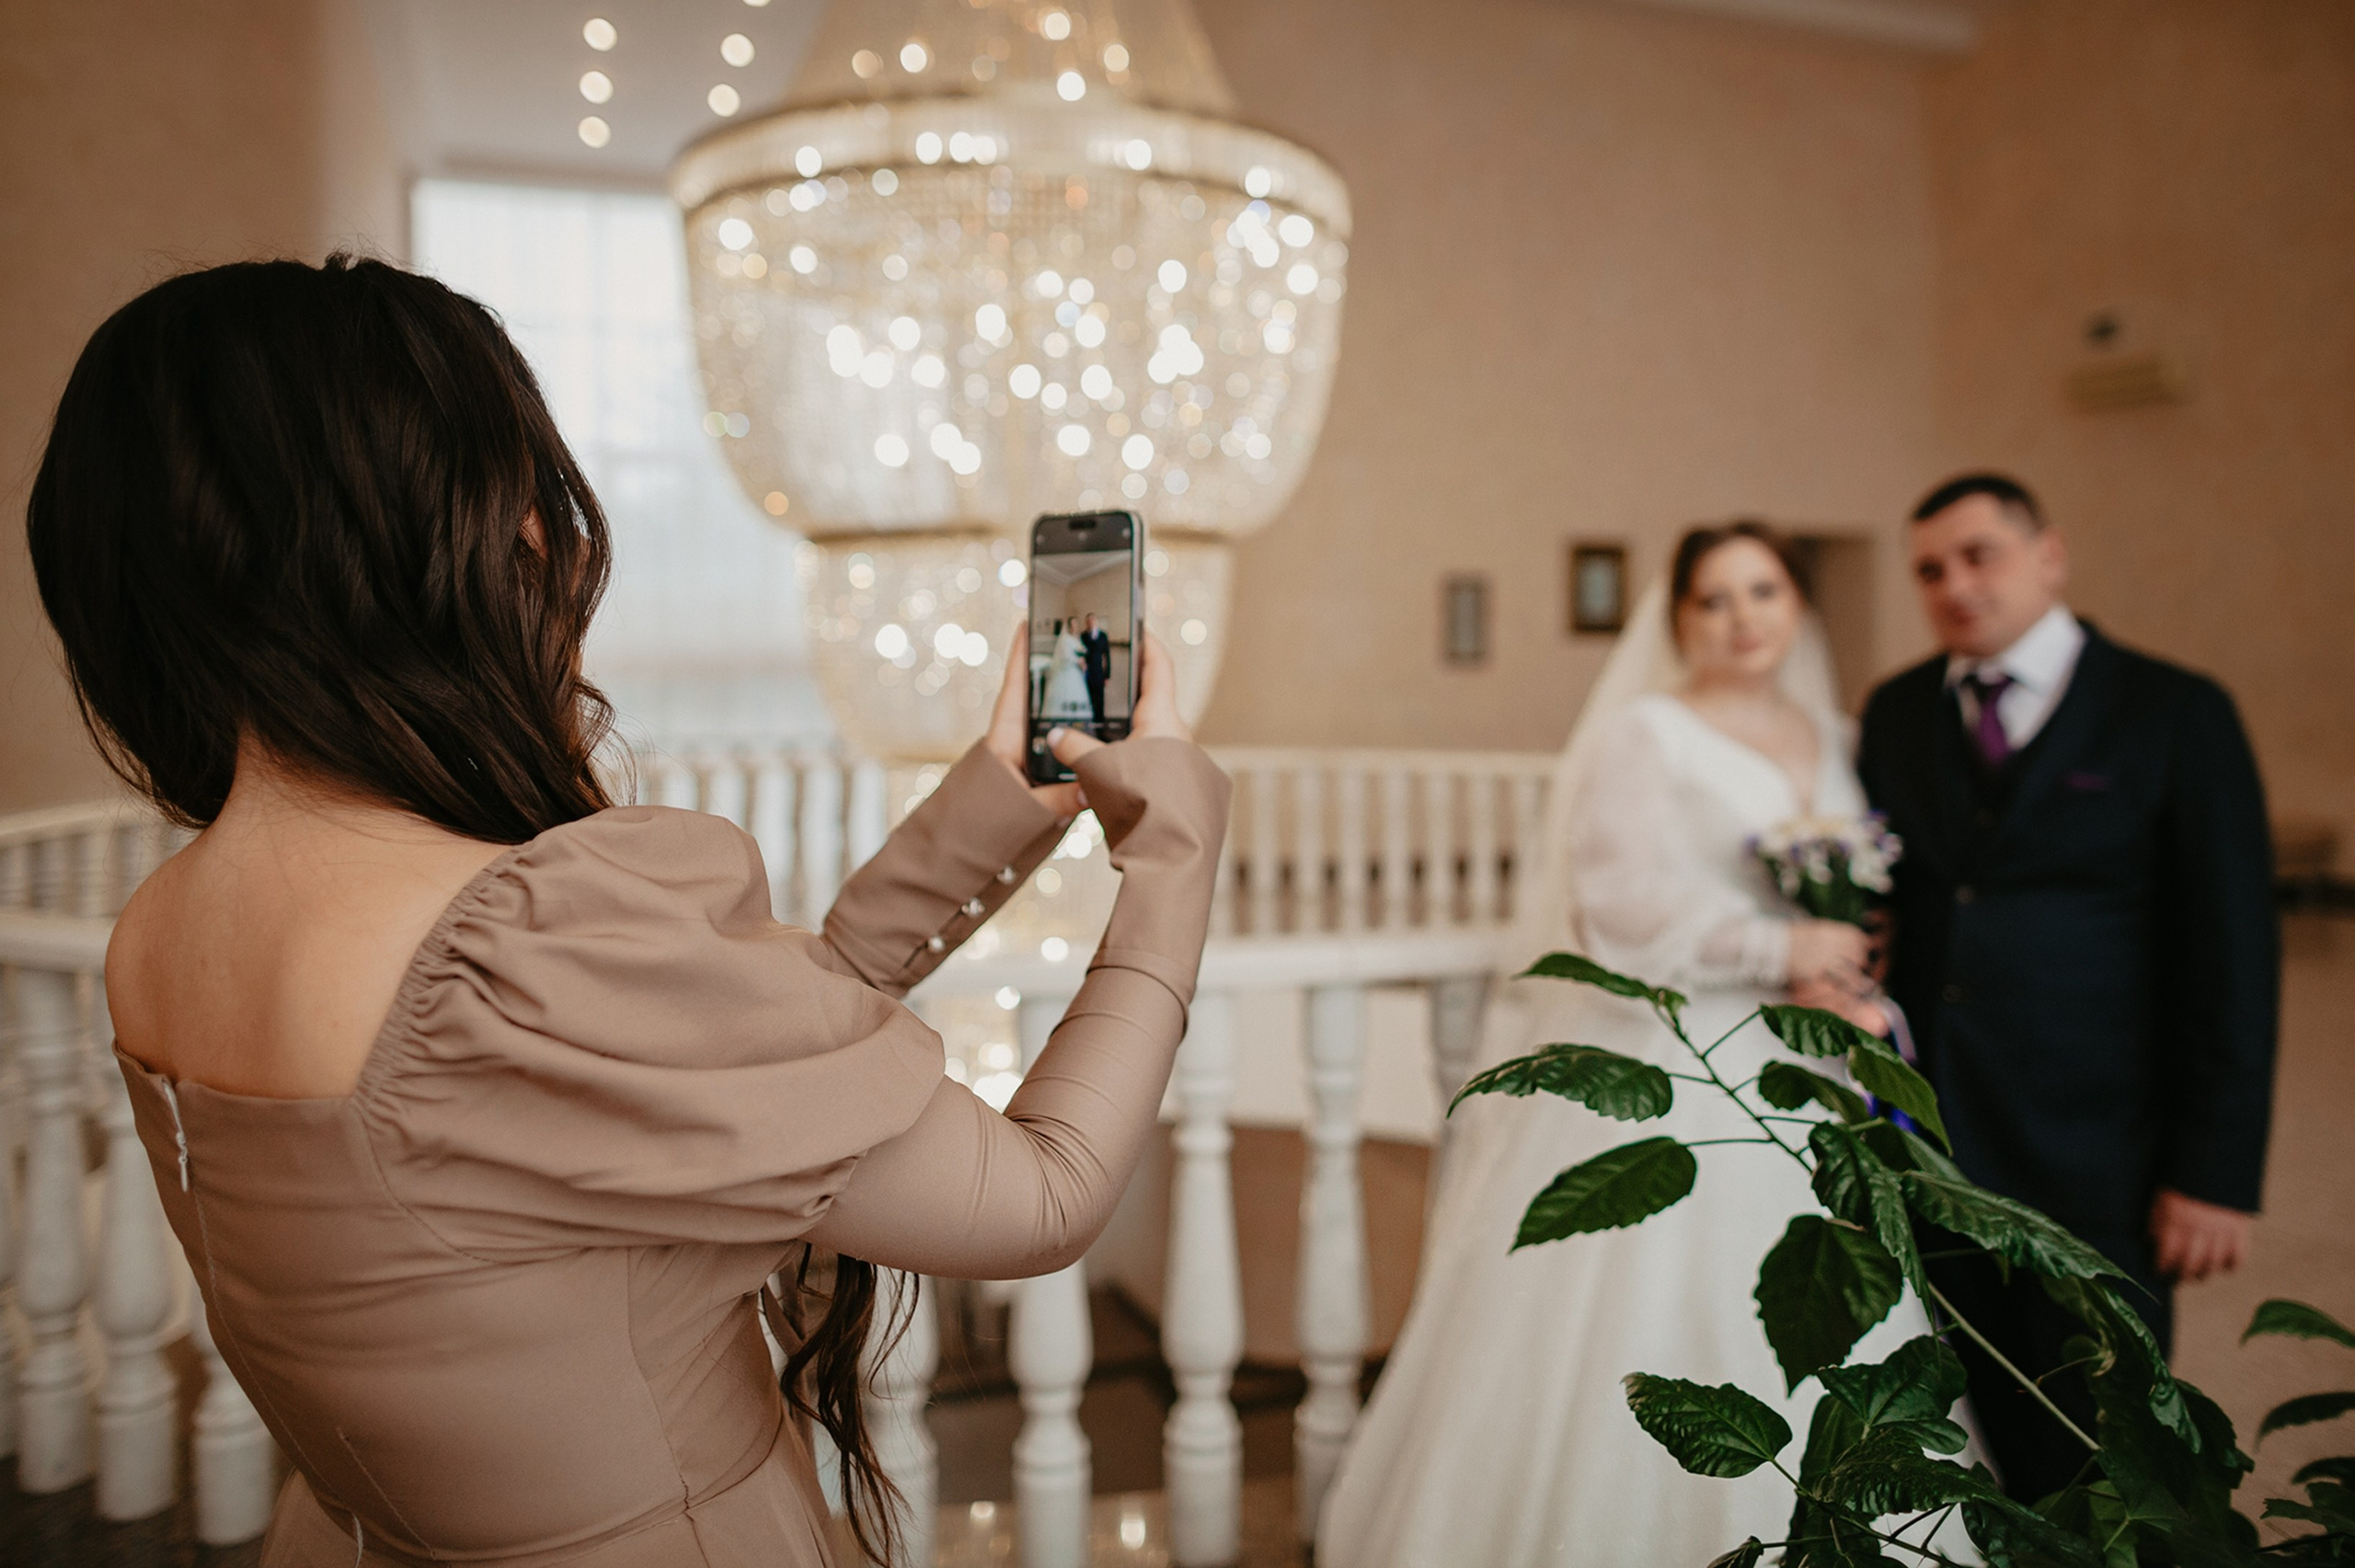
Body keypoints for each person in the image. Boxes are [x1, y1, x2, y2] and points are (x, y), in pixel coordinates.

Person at [28, 256, 1230, 1568]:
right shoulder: (521, 941)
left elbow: (730, 1063)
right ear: (455, 533)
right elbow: (1039, 1197)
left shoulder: (157, 931)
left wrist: (998, 802)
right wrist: (1175, 842)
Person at [1319, 523, 1968, 1567]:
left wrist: (1842, 962)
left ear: (1795, 605)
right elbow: (1616, 906)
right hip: (1687, 1048)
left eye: (1761, 591)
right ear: (1678, 621)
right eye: (1712, 599)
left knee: (1827, 1290)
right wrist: (1778, 943)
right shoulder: (1648, 733)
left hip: (1811, 1059)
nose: (1741, 617)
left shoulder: (1837, 732)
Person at [1852, 473, 2277, 1504]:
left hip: (2102, 1153)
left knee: (2101, 1445)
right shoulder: (1898, 710)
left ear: (2049, 554)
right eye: (1929, 569)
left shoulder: (2174, 711)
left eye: (1979, 554)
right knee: (1956, 1441)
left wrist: (2214, 1169)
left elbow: (2233, 953)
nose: (1955, 584)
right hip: (1931, 1143)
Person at [1040, 618, 1096, 725]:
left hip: (1076, 671)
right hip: (1067, 670)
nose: (1075, 627)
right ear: (1069, 626)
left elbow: (1081, 650)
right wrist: (1078, 661)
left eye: (1076, 624)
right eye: (1073, 624)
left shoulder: (1076, 637)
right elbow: (1066, 656)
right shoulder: (1065, 639)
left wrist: (1082, 660)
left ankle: (1077, 720)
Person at [1079, 612, 1113, 728]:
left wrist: (1107, 675)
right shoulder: (1083, 636)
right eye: (1088, 621)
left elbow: (1107, 656)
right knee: (1088, 696)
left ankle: (1100, 721)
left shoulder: (1103, 636)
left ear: (1096, 622)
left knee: (1100, 697)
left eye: (1092, 620)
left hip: (1099, 671)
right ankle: (1090, 720)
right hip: (1087, 671)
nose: (1090, 623)